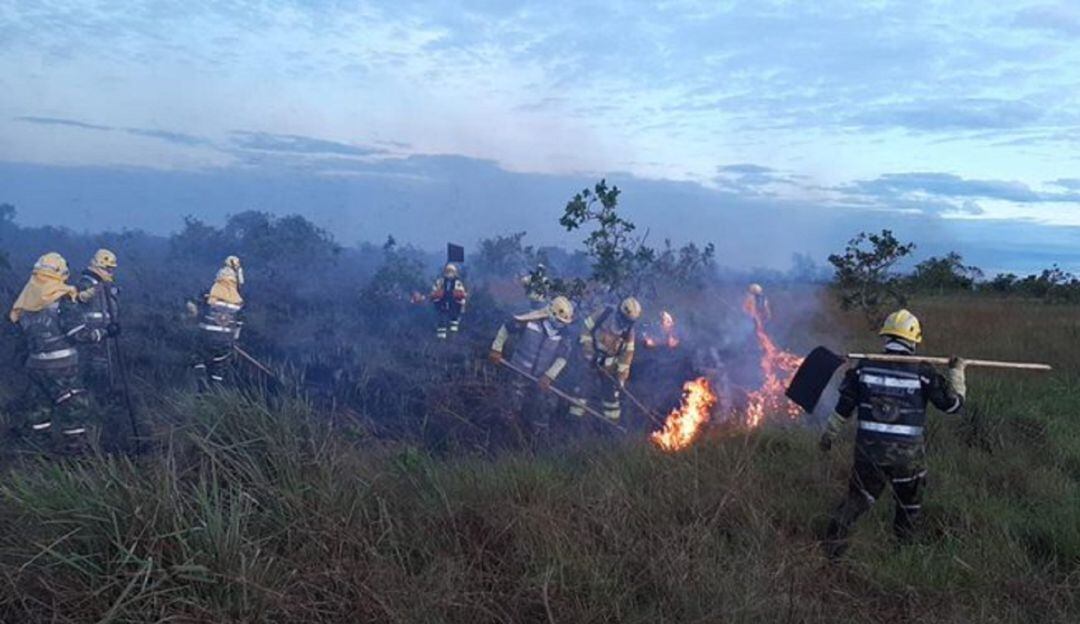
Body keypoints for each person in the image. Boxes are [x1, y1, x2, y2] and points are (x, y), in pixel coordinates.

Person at [818, 309, 966, 559]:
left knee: (856, 502)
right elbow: (953, 406)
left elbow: (844, 407)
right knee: (908, 508)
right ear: (913, 340)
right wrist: (957, 373)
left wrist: (829, 434)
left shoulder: (863, 367)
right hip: (908, 460)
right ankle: (903, 555)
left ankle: (831, 554)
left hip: (869, 455)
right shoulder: (924, 372)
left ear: (886, 337)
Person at [9, 252, 110, 449]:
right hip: (62, 368)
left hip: (35, 366)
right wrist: (102, 333)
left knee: (39, 410)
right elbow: (77, 334)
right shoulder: (63, 299)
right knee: (75, 408)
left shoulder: (25, 300)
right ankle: (77, 456)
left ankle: (38, 455)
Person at [488, 296, 575, 434]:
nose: (561, 324)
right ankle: (506, 437)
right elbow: (506, 328)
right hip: (518, 371)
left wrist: (549, 376)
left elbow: (563, 357)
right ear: (551, 314)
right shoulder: (530, 321)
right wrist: (496, 349)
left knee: (542, 410)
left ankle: (535, 442)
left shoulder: (564, 335)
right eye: (559, 321)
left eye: (563, 322)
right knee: (510, 407)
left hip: (541, 379)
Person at [570, 296, 641, 425]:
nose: (625, 323)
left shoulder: (629, 331)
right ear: (619, 312)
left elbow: (627, 356)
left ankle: (611, 426)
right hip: (590, 361)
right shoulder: (604, 314)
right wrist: (589, 351)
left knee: (611, 400)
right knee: (581, 392)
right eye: (624, 319)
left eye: (629, 322)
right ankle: (573, 423)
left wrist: (621, 378)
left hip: (609, 367)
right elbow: (585, 329)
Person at [190, 256, 244, 389]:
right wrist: (233, 340)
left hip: (206, 338)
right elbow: (239, 326)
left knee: (198, 355)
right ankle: (215, 388)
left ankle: (201, 373)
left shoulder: (209, 294)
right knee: (220, 365)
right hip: (225, 342)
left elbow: (193, 307)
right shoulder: (239, 302)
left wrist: (195, 317)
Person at [76, 249, 121, 398]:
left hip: (105, 336)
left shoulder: (106, 285)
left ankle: (105, 401)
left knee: (105, 372)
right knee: (93, 373)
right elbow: (79, 304)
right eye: (108, 268)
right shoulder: (85, 283)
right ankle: (92, 404)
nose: (111, 272)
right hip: (90, 339)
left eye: (112, 269)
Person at [430, 263, 467, 339]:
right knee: (441, 320)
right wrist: (436, 298)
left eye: (451, 271)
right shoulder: (440, 281)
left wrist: (462, 305)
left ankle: (453, 336)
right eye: (448, 271)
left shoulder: (458, 283)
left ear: (455, 272)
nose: (449, 273)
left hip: (454, 305)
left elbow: (462, 294)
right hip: (442, 304)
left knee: (454, 321)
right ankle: (441, 338)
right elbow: (434, 292)